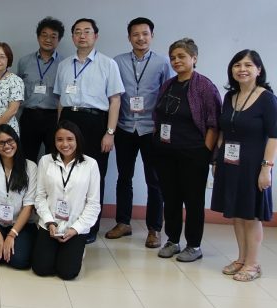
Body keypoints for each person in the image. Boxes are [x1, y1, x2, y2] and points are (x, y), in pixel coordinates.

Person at [53, 18, 124, 243]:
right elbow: (61, 102)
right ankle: (65, 219)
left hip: (95, 122)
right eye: (77, 32)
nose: (82, 36)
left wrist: (110, 132)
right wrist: (59, 128)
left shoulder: (108, 64)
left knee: (94, 175)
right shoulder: (64, 65)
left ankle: (90, 226)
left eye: (87, 32)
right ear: (72, 37)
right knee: (66, 173)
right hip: (69, 119)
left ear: (96, 36)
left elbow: (115, 101)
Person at [107, 17, 174, 248]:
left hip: (151, 129)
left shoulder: (163, 63)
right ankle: (123, 222)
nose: (140, 38)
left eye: (145, 34)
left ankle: (154, 229)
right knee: (123, 177)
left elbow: (167, 96)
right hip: (125, 126)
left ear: (152, 36)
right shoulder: (117, 62)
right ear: (129, 37)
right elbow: (113, 95)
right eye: (135, 34)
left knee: (154, 180)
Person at [154, 38, 221, 262]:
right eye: (173, 57)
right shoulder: (169, 84)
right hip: (166, 152)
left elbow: (214, 123)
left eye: (181, 56)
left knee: (193, 200)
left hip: (193, 153)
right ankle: (173, 240)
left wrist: (205, 152)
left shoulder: (204, 86)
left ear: (194, 58)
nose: (176, 61)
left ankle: (194, 245)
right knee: (171, 198)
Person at [211, 50, 277, 281]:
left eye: (248, 65)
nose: (242, 69)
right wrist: (216, 159)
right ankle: (241, 259)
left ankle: (253, 263)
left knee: (251, 216)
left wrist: (266, 168)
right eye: (237, 65)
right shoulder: (230, 97)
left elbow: (273, 136)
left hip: (253, 165)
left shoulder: (267, 98)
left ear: (259, 70)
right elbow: (223, 132)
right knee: (237, 214)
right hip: (230, 163)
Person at [32, 121, 100, 280]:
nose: (64, 144)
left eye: (70, 139)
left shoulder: (90, 164)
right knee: (41, 269)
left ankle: (78, 249)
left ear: (77, 140)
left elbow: (93, 204)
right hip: (50, 225)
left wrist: (76, 229)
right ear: (54, 141)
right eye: (59, 139)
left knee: (67, 273)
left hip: (75, 225)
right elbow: (40, 196)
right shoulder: (45, 161)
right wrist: (49, 222)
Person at [0, 124, 38, 269]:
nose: (7, 146)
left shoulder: (30, 167)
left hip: (21, 224)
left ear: (16, 141)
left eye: (10, 141)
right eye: (1, 142)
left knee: (20, 261)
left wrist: (12, 235)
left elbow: (28, 206)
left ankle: (12, 240)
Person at [17, 17, 65, 159]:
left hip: (53, 117)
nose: (48, 39)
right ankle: (28, 182)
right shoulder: (24, 61)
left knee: (53, 158)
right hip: (29, 116)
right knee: (27, 157)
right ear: (38, 37)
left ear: (59, 40)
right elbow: (18, 91)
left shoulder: (64, 64)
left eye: (53, 36)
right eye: (44, 35)